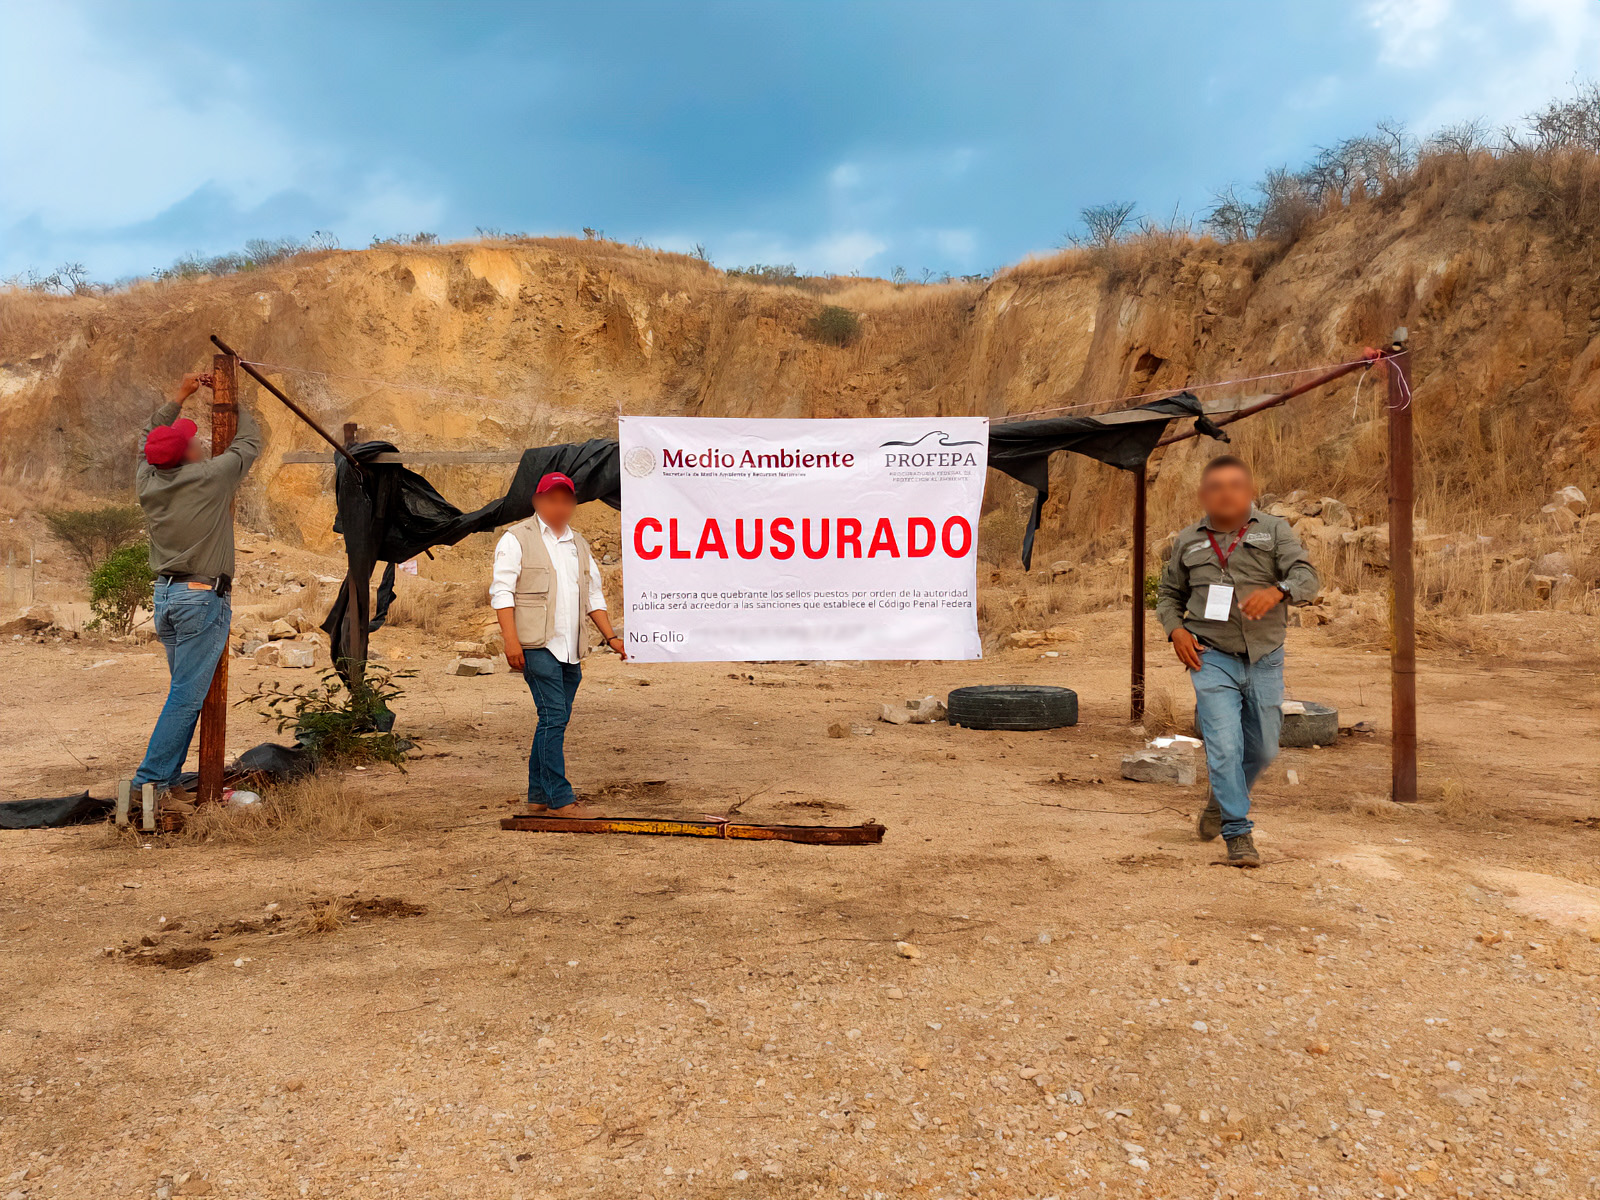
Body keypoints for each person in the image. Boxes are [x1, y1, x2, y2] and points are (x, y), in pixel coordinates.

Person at [1156, 455, 1319, 866]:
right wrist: (1176, 630)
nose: (1225, 494)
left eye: (1235, 485)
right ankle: (1238, 833)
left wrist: (1279, 591)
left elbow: (1307, 578)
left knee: (1263, 750)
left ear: (1249, 491)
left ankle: (1222, 799)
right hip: (1211, 657)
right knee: (1225, 747)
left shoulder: (1275, 530)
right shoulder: (1188, 540)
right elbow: (1169, 595)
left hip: (1265, 657)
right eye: (1216, 486)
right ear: (1203, 494)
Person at [132, 371, 263, 809]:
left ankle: (167, 783)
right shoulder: (209, 477)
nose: (198, 442)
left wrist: (180, 395)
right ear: (187, 454)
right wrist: (231, 400)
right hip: (199, 599)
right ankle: (150, 785)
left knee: (185, 695)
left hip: (167, 597)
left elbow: (148, 440)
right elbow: (249, 442)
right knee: (186, 697)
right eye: (191, 441)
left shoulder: (148, 481)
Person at [490, 472, 626, 816]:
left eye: (566, 500)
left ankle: (538, 796)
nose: (560, 507)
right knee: (553, 716)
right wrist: (511, 641)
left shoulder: (578, 543)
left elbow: (593, 595)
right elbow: (502, 592)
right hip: (536, 645)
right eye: (552, 499)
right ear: (537, 501)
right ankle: (560, 799)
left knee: (553, 720)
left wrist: (611, 637)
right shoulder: (516, 538)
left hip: (571, 648)